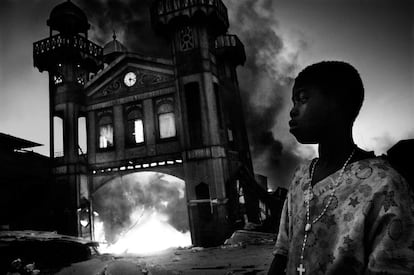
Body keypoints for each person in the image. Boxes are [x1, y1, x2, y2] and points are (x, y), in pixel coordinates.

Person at [267, 61, 414, 274]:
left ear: (338, 103)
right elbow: (283, 248)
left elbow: (392, 265)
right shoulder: (300, 176)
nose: (292, 111)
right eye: (293, 102)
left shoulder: (384, 184)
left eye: (302, 99)